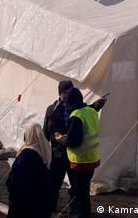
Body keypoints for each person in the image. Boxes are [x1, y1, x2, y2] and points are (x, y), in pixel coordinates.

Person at [44, 81, 106, 216]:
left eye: (69, 92)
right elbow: (46, 132)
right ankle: (50, 206)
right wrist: (47, 149)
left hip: (75, 155)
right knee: (55, 182)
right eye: (65, 92)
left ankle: (76, 209)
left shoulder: (75, 110)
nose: (67, 95)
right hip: (59, 153)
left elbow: (81, 113)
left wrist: (96, 105)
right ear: (60, 93)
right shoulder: (52, 109)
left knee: (77, 186)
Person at [58, 87, 102, 218]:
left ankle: (84, 214)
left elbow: (73, 141)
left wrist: (61, 138)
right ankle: (85, 212)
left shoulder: (76, 116)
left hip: (81, 159)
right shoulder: (91, 111)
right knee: (85, 188)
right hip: (93, 157)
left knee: (80, 190)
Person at [7, 123, 51, 218]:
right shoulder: (44, 150)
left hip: (25, 202)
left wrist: (12, 197)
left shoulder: (26, 155)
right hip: (40, 200)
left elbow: (17, 180)